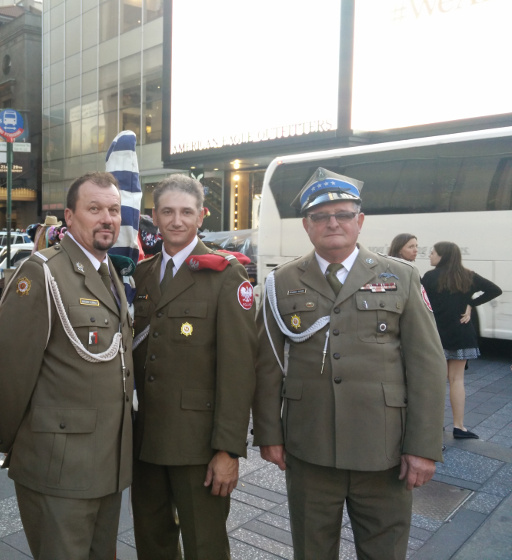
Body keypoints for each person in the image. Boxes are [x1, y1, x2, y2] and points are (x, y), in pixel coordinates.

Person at [253, 167, 446, 560]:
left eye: (342, 214)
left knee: (384, 551)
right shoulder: (282, 281)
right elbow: (266, 364)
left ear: (359, 221)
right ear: (307, 226)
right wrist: (269, 434)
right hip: (309, 449)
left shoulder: (401, 277)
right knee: (312, 551)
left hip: (385, 450)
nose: (332, 223)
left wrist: (424, 446)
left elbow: (427, 366)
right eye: (321, 216)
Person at [0, 172, 133, 560]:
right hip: (59, 466)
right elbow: (6, 370)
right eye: (94, 208)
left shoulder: (107, 270)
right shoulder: (43, 271)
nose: (107, 218)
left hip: (106, 463)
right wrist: (18, 444)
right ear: (69, 216)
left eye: (114, 210)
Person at [131, 174, 257, 559]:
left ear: (201, 216)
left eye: (186, 212)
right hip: (144, 439)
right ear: (155, 216)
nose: (176, 221)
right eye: (167, 212)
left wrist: (227, 450)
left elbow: (239, 371)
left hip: (197, 445)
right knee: (152, 542)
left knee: (206, 546)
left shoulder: (225, 275)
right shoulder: (142, 275)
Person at [422, 241, 502, 440]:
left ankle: (436, 425)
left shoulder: (430, 277)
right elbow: (495, 290)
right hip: (461, 334)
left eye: (433, 253)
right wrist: (470, 303)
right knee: (457, 380)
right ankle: (459, 427)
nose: (429, 256)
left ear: (443, 256)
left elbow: (421, 303)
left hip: (436, 336)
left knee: (436, 381)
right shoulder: (468, 275)